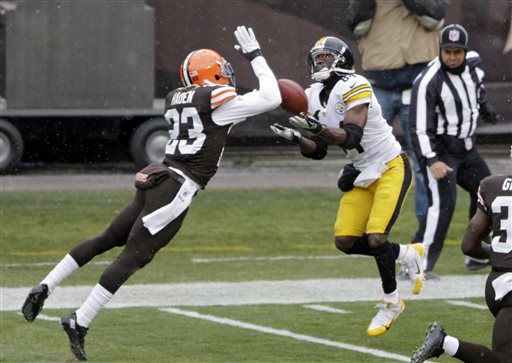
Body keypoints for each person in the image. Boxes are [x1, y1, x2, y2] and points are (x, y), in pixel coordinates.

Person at [20, 25, 281, 361]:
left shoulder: (176, 98)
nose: (227, 77)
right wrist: (256, 56)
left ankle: (46, 284)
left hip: (157, 178)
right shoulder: (214, 100)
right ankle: (79, 320)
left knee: (107, 238)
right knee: (135, 255)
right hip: (176, 187)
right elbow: (272, 96)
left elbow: (215, 126)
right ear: (211, 74)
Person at [270, 36, 424, 337]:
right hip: (361, 171)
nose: (320, 63)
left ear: (342, 60)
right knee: (345, 241)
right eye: (317, 57)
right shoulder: (312, 95)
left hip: (390, 165)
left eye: (326, 57)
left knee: (377, 237)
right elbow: (318, 150)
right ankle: (407, 253)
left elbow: (351, 136)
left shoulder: (356, 84)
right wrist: (298, 138)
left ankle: (391, 302)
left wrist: (317, 129)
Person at [345, 0, 450, 233]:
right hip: (379, 82)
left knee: (425, 161)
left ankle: (428, 228)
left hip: (418, 84)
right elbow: (355, 24)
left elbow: (435, 16)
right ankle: (363, 223)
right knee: (367, 160)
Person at [409, 23, 501, 279]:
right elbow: (418, 127)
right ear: (439, 51)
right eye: (447, 51)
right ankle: (418, 265)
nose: (452, 57)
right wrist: (431, 160)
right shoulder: (428, 80)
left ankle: (475, 254)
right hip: (442, 150)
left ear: (465, 51)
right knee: (443, 205)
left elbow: (476, 90)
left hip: (468, 148)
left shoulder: (474, 64)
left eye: (457, 52)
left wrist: (485, 109)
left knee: (487, 194)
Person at [410, 145, 512, 363]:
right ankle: (444, 343)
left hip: (496, 283)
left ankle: (446, 343)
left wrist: (496, 254)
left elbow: (469, 246)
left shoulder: (492, 185)